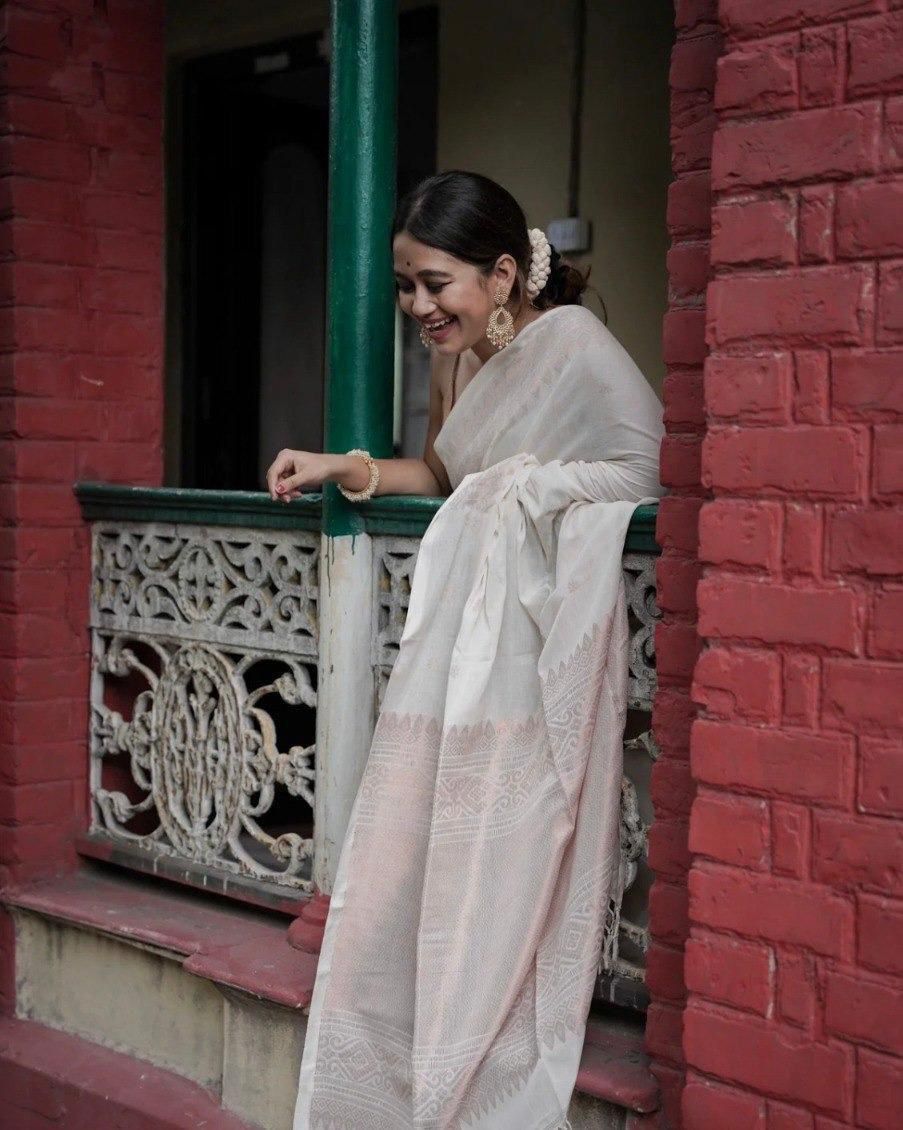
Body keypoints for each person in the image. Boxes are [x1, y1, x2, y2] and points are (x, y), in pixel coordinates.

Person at [267, 171, 665, 1130]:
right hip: (469, 651)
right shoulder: (459, 361)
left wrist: (527, 492)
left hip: (537, 639)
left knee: (515, 839)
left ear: (501, 275)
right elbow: (446, 471)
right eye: (406, 286)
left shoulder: (572, 347)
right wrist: (340, 465)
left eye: (435, 284)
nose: (417, 306)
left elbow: (647, 471)